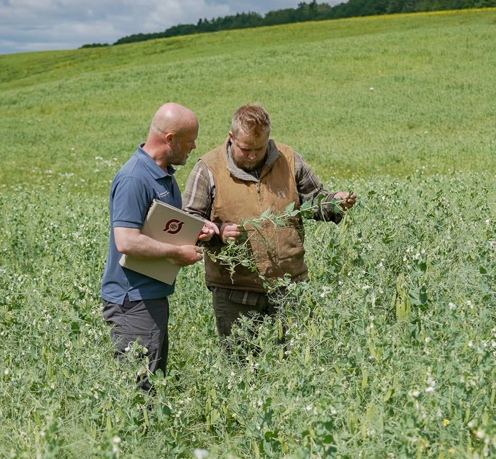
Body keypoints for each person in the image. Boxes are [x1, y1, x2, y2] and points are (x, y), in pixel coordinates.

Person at [184, 103, 357, 342]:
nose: (253, 155)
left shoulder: (288, 160)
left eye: (260, 147)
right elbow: (190, 220)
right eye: (246, 149)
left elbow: (315, 199)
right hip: (235, 293)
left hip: (289, 288)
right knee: (241, 366)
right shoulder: (208, 168)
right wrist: (218, 233)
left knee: (295, 365)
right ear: (231, 138)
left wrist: (334, 202)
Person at [100, 102, 218, 390]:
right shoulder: (134, 178)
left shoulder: (162, 173)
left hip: (150, 296)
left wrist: (195, 231)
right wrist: (177, 252)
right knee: (137, 389)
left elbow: (161, 227)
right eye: (190, 141)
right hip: (132, 302)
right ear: (170, 139)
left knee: (151, 383)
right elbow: (126, 241)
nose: (194, 147)